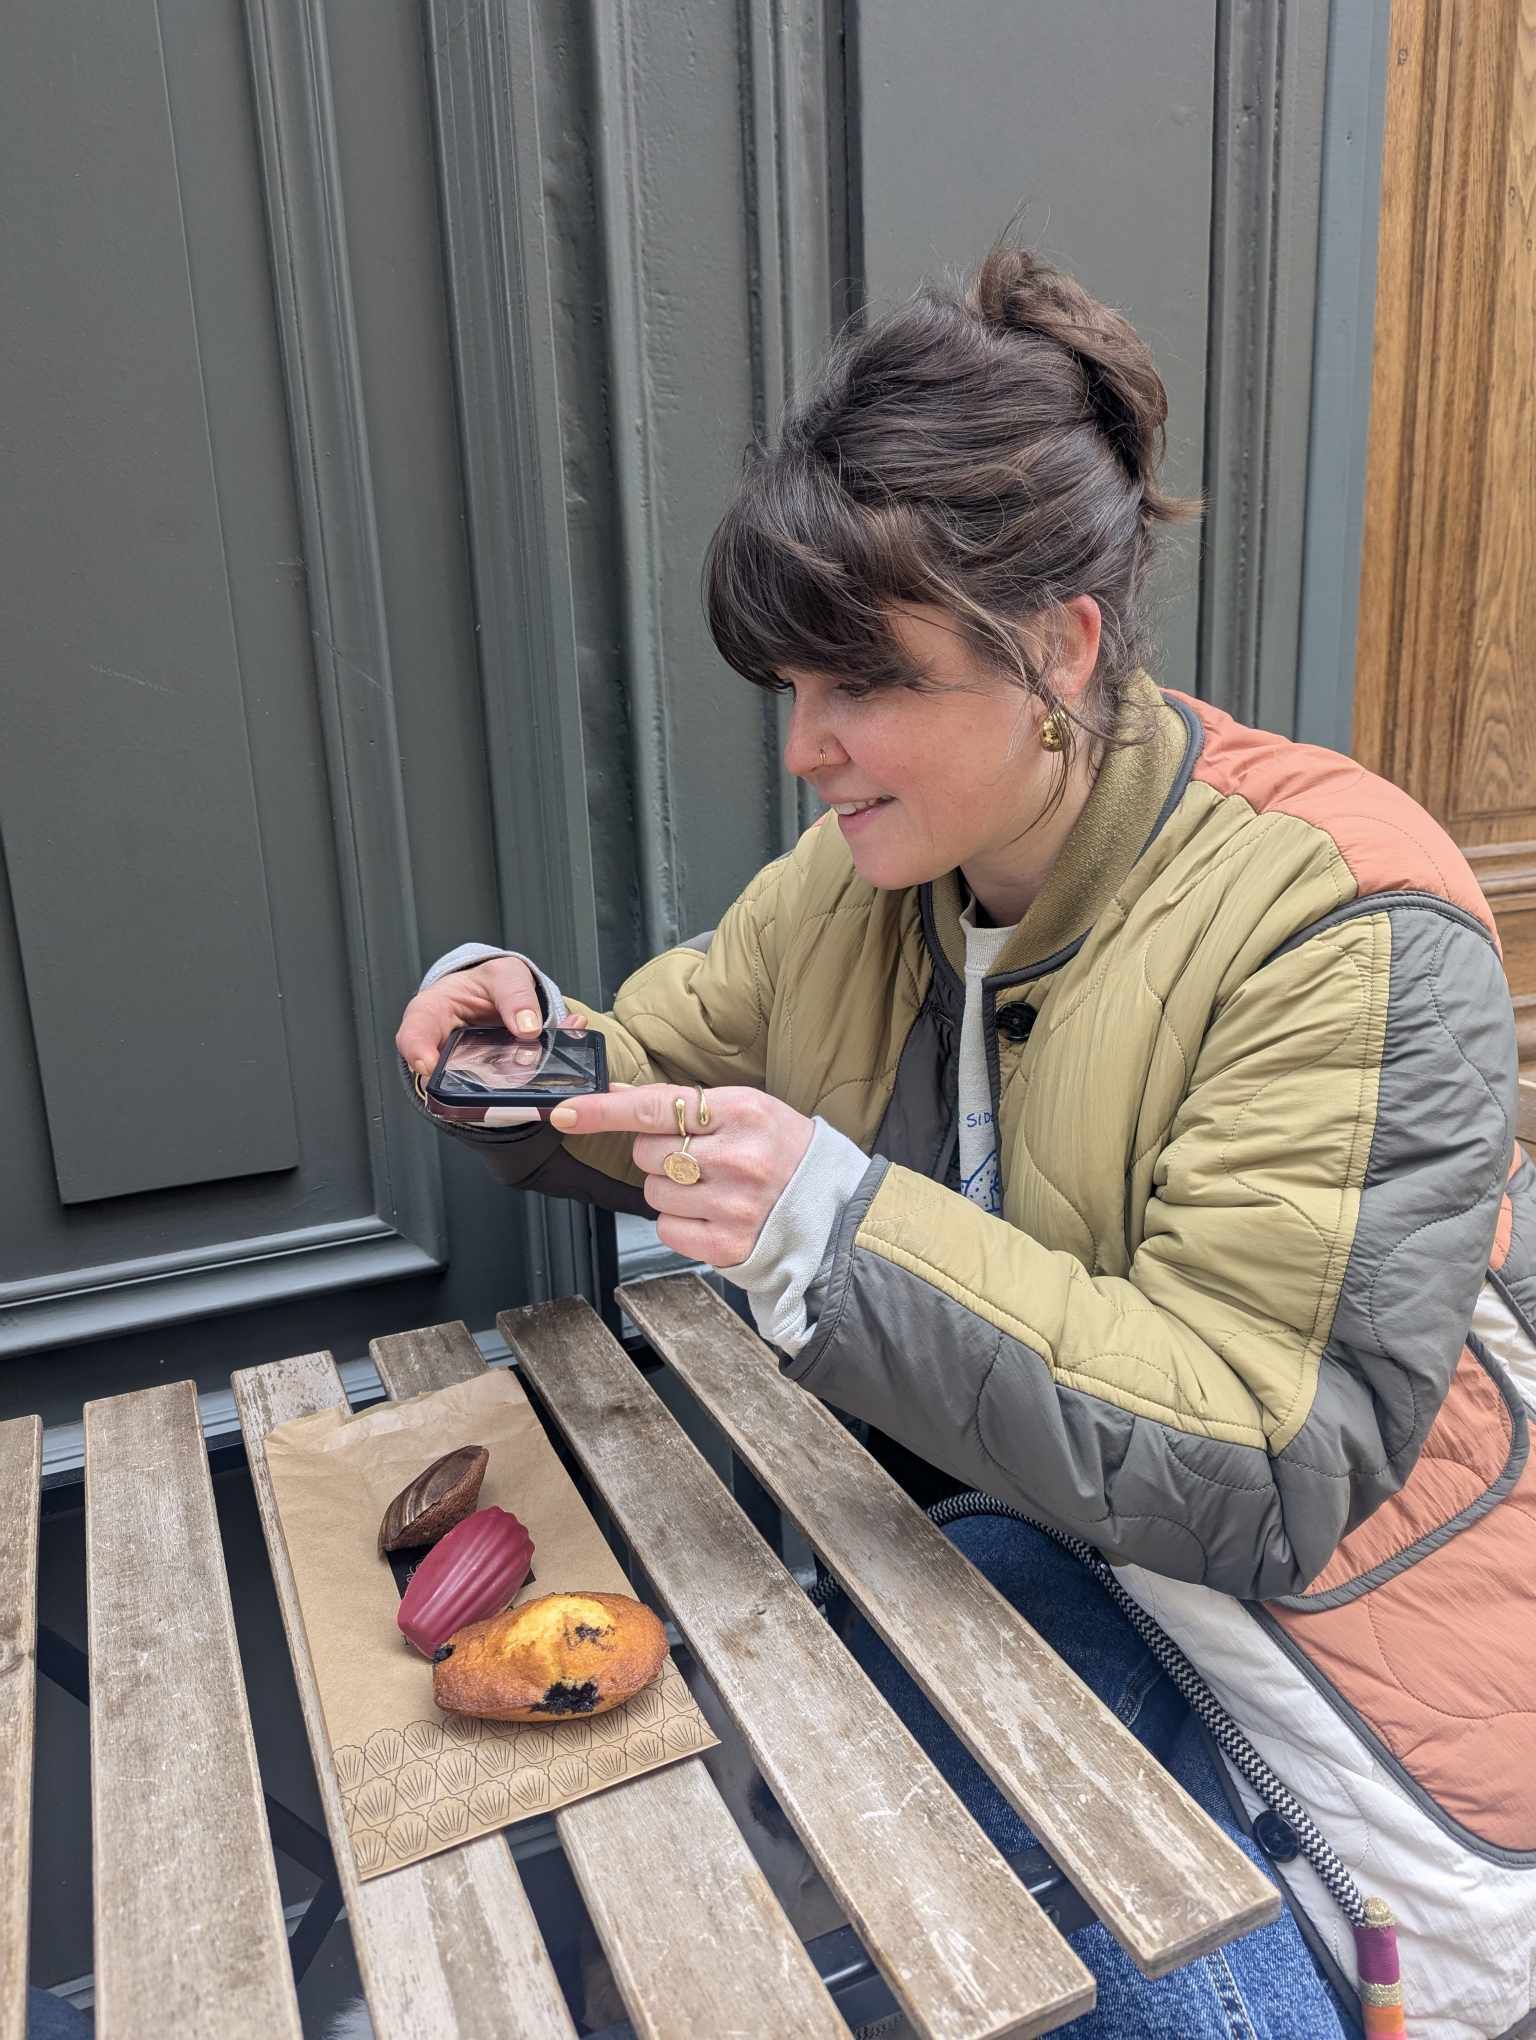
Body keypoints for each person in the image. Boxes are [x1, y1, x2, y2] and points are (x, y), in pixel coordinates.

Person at [396, 242, 1536, 2039]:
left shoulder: (1341, 918)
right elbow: (662, 1075)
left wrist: (833, 1228)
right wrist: (523, 1047)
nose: (805, 747)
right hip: (1022, 1559)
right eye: (789, 685)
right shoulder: (860, 884)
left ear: (1061, 649)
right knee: (851, 1736)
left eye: (860, 683)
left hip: (1323, 1675)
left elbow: (1273, 1460)